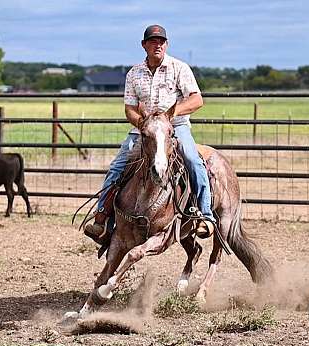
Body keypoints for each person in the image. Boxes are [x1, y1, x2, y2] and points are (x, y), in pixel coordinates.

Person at [84, 24, 215, 244]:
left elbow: (196, 99)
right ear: (144, 45)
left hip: (175, 127)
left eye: (161, 41)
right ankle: (102, 217)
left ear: (167, 44)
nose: (158, 45)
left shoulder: (179, 68)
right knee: (117, 167)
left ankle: (205, 214)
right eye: (153, 41)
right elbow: (130, 108)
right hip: (143, 131)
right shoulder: (134, 73)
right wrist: (143, 124)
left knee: (193, 160)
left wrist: (169, 116)